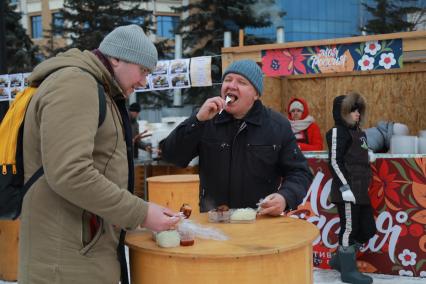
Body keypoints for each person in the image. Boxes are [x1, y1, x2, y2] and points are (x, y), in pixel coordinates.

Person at [19, 25, 180, 284]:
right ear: (116, 58)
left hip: (81, 251)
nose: (143, 82)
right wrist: (141, 212)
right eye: (143, 70)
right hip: (65, 261)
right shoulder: (76, 84)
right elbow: (70, 172)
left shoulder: (99, 89)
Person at [160, 59, 313, 215]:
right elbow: (172, 156)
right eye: (228, 80)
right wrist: (196, 121)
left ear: (256, 94)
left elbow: (300, 172)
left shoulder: (277, 125)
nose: (231, 85)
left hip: (260, 222)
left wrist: (285, 197)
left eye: (241, 82)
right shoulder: (207, 119)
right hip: (215, 222)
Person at [326, 91, 376, 284]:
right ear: (343, 112)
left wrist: (368, 154)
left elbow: (356, 154)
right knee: (350, 229)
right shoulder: (338, 132)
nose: (357, 114)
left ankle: (339, 260)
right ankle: (348, 271)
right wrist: (344, 188)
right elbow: (335, 161)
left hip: (361, 189)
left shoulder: (359, 132)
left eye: (358, 110)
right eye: (353, 110)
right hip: (347, 190)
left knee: (368, 229)